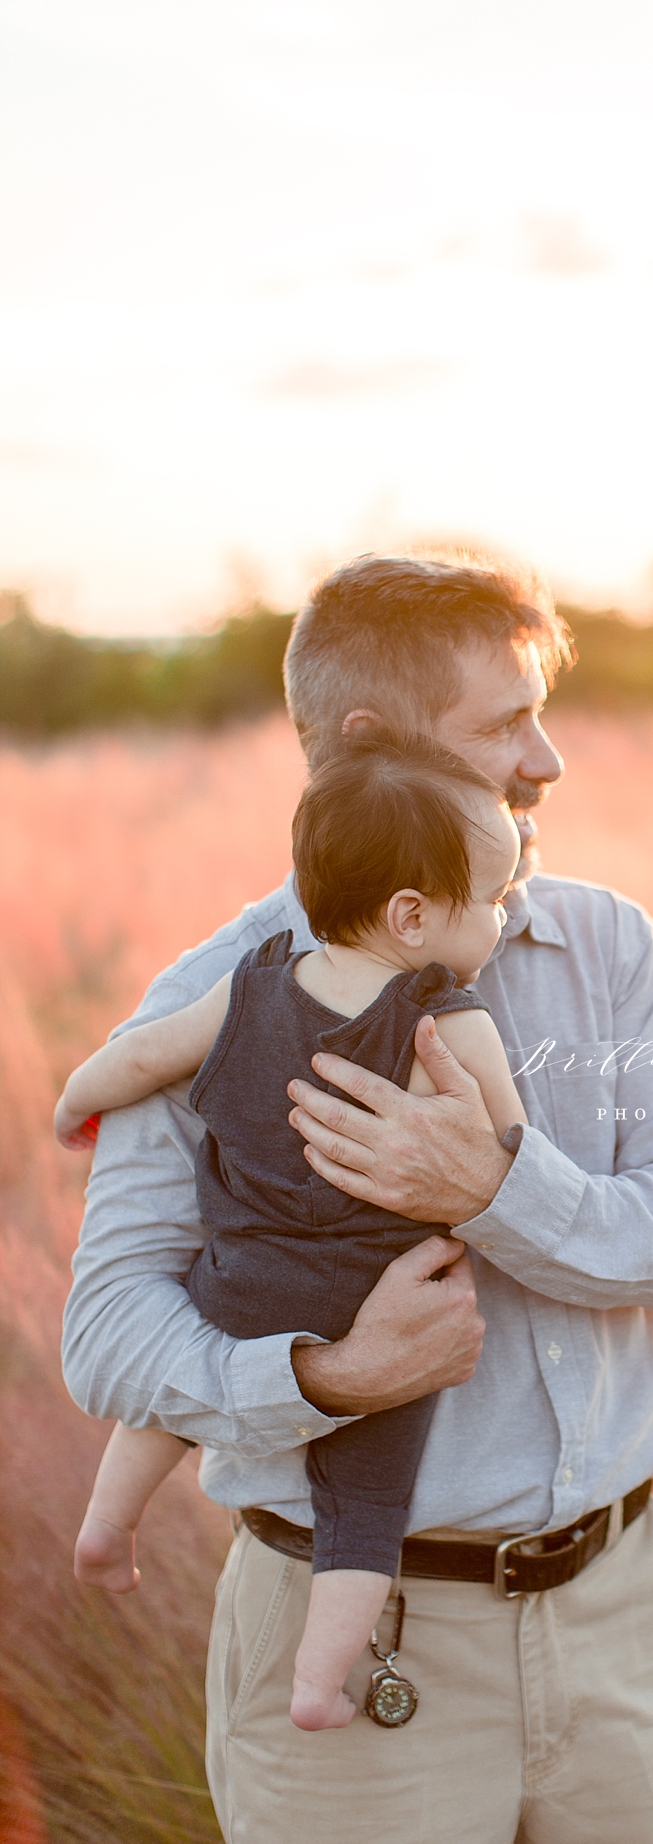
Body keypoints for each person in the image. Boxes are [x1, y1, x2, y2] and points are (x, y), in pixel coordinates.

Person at [61, 553, 653, 1844]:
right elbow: (104, 1332)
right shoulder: (213, 998)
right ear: (369, 745)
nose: (547, 760)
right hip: (355, 1648)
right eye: (504, 724)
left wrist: (496, 1188)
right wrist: (324, 1375)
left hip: (623, 1632)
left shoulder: (608, 946)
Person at [56, 731, 527, 1731]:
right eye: (490, 896)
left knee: (164, 1413)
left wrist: (73, 1106)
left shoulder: (247, 986)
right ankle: (319, 1682)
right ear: (412, 915)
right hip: (373, 1303)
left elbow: (136, 1059)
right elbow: (503, 1152)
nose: (503, 913)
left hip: (239, 1278)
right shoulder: (448, 1016)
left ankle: (105, 1528)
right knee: (362, 1508)